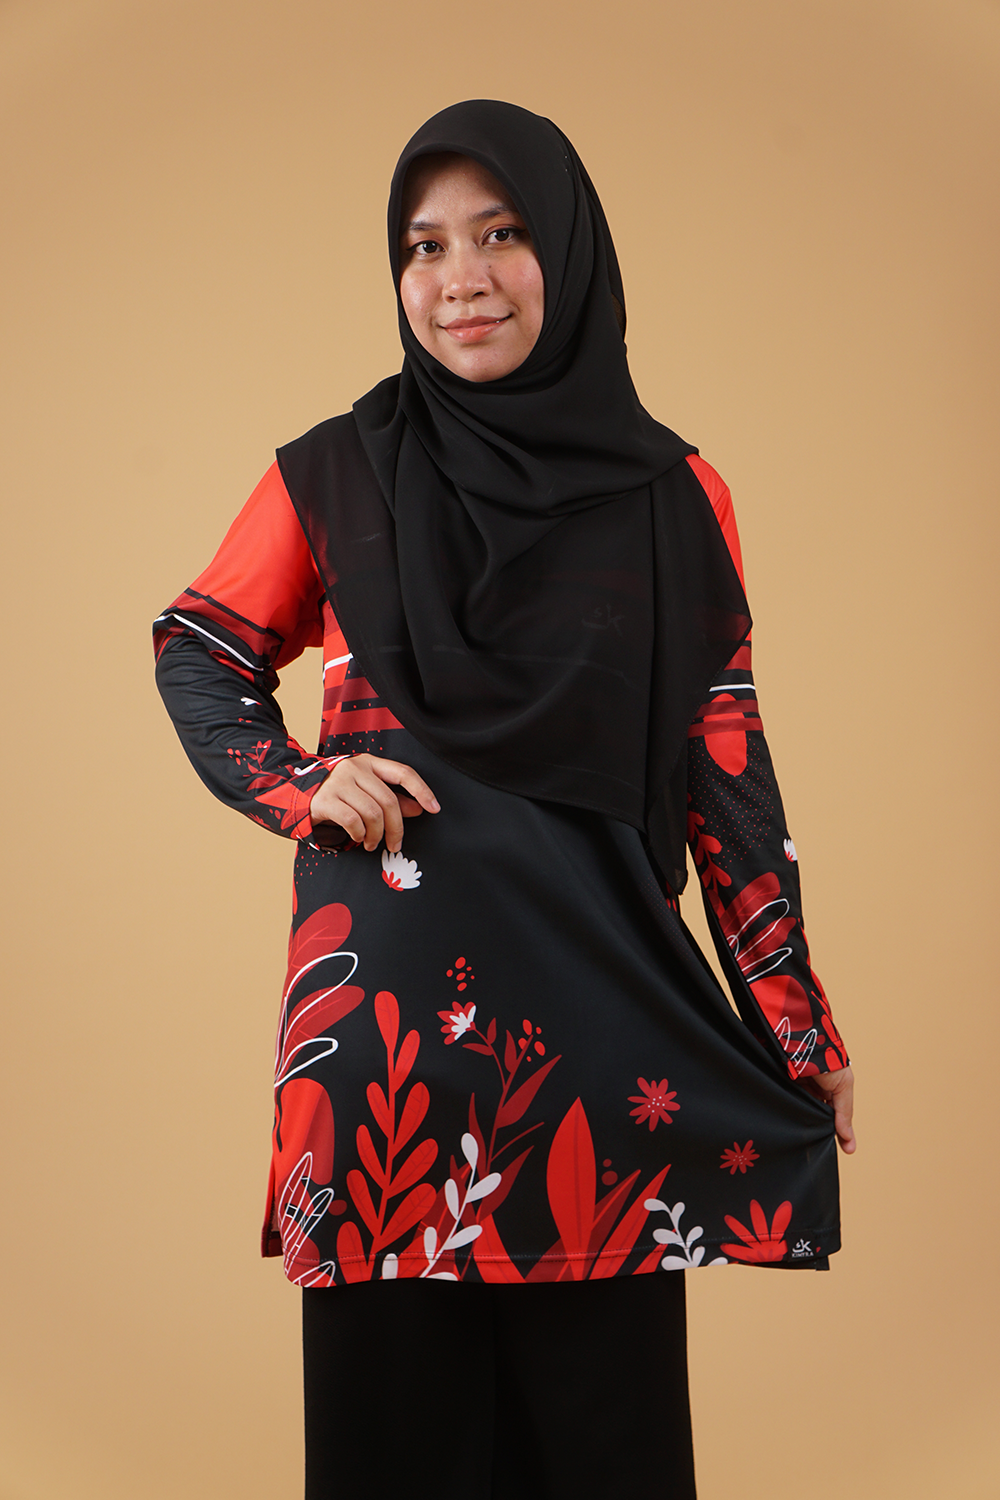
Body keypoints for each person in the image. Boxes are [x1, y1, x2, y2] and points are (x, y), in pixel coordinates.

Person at [154, 99, 854, 1500]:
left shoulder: (678, 497)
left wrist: (796, 1018)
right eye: (424, 246)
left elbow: (725, 771)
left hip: (605, 1052)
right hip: (386, 1067)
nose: (460, 277)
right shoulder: (335, 473)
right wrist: (303, 784)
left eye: (502, 233)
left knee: (605, 1458)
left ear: (570, 254)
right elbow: (199, 647)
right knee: (391, 1461)